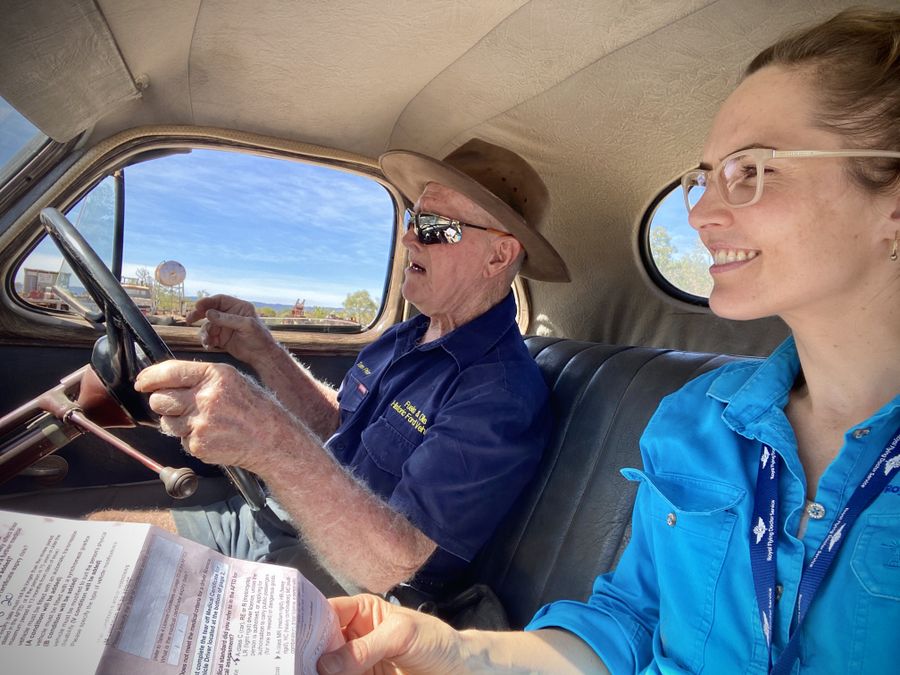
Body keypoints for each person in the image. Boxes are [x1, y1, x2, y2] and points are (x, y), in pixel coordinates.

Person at [315, 8, 900, 674]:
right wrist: (447, 647)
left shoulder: (501, 388)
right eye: (704, 178)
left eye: (752, 171)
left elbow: (396, 553)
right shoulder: (697, 419)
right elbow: (627, 624)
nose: (703, 214)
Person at [89, 138, 570, 600]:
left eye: (434, 226)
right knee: (99, 538)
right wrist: (263, 350)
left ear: (499, 255)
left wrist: (270, 441)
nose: (408, 236)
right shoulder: (407, 334)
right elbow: (338, 425)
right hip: (280, 520)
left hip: (340, 582)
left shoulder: (499, 395)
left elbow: (394, 563)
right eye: (412, 217)